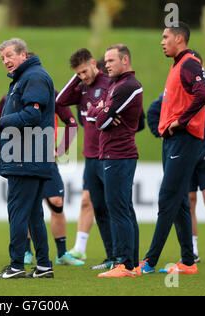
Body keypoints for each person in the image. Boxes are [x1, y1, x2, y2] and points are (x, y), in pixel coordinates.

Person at [0, 38, 55, 278]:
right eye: (2, 58)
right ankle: (43, 266)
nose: (6, 61)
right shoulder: (25, 78)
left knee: (18, 211)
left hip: (25, 158)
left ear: (23, 55)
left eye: (9, 55)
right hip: (29, 156)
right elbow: (22, 120)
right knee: (32, 214)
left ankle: (16, 266)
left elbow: (31, 116)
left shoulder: (34, 77)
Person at [147, 51, 205, 265]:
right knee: (187, 202)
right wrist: (163, 133)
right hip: (183, 154)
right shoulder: (178, 91)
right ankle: (192, 252)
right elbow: (153, 111)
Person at [139, 22, 205, 275]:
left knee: (166, 198)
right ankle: (188, 262)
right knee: (179, 200)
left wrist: (182, 120)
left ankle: (148, 262)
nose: (162, 41)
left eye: (165, 36)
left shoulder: (190, 63)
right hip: (172, 139)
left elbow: (204, 94)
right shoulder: (178, 65)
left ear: (180, 38)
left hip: (184, 139)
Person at [0, 90, 83, 266]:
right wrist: (3, 149)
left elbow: (72, 124)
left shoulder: (51, 95)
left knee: (57, 202)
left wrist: (60, 149)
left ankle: (62, 253)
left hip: (46, 159)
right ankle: (27, 251)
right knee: (26, 206)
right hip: (21, 160)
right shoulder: (8, 97)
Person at [86, 44, 143, 277]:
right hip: (114, 154)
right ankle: (133, 264)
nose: (106, 65)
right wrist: (102, 110)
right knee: (124, 209)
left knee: (118, 209)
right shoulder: (116, 84)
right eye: (106, 61)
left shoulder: (128, 85)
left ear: (125, 60)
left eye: (111, 61)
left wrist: (103, 111)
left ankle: (123, 264)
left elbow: (100, 121)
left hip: (119, 155)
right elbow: (97, 114)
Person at [55, 49, 114, 268]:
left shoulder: (108, 83)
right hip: (90, 157)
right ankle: (111, 257)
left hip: (108, 155)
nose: (82, 77)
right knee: (97, 206)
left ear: (93, 63)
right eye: (77, 74)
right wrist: (78, 78)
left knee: (115, 205)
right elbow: (60, 100)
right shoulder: (82, 87)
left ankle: (123, 256)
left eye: (83, 71)